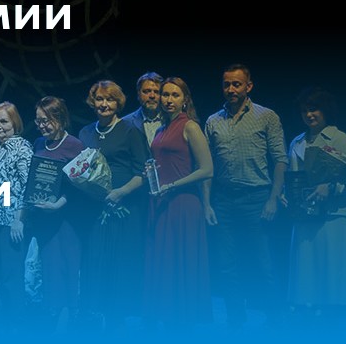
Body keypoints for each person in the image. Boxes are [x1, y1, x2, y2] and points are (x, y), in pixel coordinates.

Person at [203, 63, 287, 327]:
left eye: (236, 84)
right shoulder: (213, 121)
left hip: (256, 198)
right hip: (224, 200)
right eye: (227, 84)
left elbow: (280, 159)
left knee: (263, 262)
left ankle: (275, 319)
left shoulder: (266, 116)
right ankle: (235, 320)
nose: (231, 89)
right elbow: (207, 167)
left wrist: (273, 198)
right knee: (226, 264)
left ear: (248, 86)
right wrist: (207, 203)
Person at [78, 80, 148, 330]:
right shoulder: (86, 133)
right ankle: (98, 318)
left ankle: (119, 323)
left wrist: (121, 192)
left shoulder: (130, 130)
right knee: (97, 261)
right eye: (99, 99)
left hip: (124, 209)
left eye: (110, 99)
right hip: (96, 210)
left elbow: (143, 172)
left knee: (120, 263)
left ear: (118, 103)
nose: (104, 104)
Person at [144, 77, 213, 326]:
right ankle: (165, 318)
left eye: (175, 95)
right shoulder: (161, 129)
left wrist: (173, 185)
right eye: (165, 95)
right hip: (161, 201)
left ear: (185, 100)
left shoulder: (190, 126)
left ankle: (186, 322)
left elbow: (207, 169)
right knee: (164, 260)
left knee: (182, 260)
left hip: (183, 202)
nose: (168, 99)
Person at [284, 88, 346, 314]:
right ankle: (308, 315)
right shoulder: (297, 141)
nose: (309, 114)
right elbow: (292, 175)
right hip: (304, 214)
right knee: (306, 270)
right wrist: (286, 194)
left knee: (331, 270)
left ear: (325, 110)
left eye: (313, 109)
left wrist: (331, 187)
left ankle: (331, 318)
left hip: (332, 214)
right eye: (305, 110)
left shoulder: (340, 139)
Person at [14, 96, 85, 330]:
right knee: (50, 265)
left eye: (46, 120)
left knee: (68, 263)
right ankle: (53, 313)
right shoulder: (38, 144)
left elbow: (80, 184)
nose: (42, 125)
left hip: (66, 218)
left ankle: (70, 315)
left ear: (60, 118)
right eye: (38, 121)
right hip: (43, 218)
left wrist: (58, 204)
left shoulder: (75, 145)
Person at [0, 102, 32, 311]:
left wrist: (19, 220)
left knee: (11, 274)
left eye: (4, 121)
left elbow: (27, 187)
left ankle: (17, 321)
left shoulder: (22, 148)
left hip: (10, 221)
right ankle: (7, 317)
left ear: (14, 122)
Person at [121, 72, 165, 149]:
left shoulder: (170, 120)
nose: (152, 96)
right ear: (138, 94)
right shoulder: (125, 123)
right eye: (147, 91)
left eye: (156, 92)